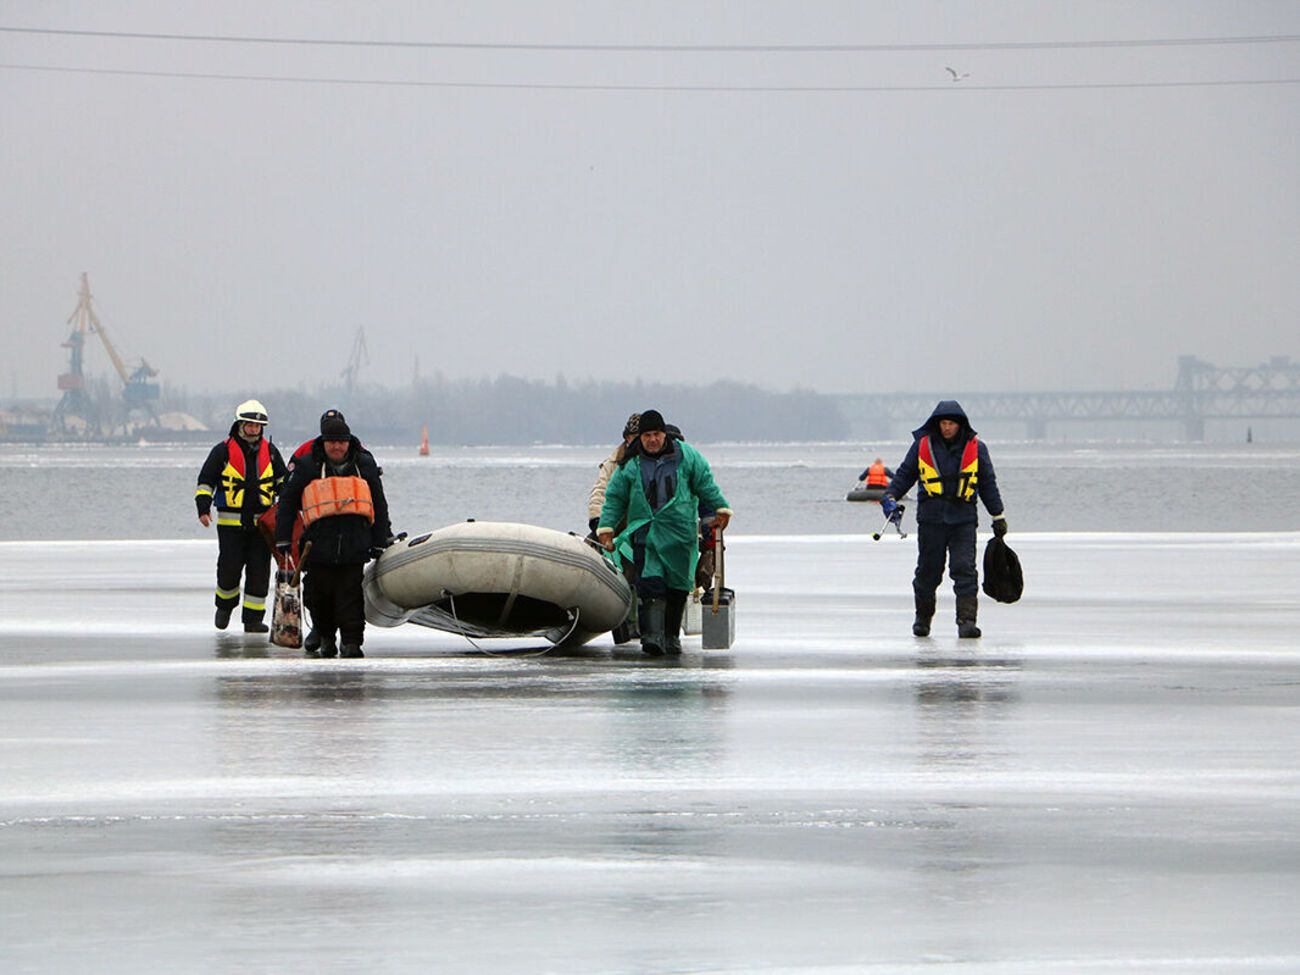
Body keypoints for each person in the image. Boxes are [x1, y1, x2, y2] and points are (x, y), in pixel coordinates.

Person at [597, 409, 732, 656]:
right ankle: (652, 637)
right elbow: (615, 498)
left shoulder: (687, 457)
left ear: (664, 434)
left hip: (680, 534)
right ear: (640, 438)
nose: (652, 440)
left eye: (656, 434)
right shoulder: (630, 463)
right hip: (646, 533)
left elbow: (706, 485)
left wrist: (719, 510)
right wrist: (606, 527)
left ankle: (670, 637)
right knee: (650, 584)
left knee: (677, 588)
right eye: (647, 435)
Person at [880, 400, 1006, 639]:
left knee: (964, 570)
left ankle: (966, 622)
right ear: (937, 424)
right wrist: (890, 496)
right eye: (944, 423)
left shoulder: (977, 448)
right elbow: (905, 474)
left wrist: (998, 515)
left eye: (951, 424)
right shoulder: (921, 446)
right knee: (928, 572)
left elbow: (987, 483)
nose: (947, 428)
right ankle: (923, 619)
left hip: (963, 520)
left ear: (960, 425)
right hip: (931, 520)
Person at [276, 415, 392, 659]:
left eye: (342, 442)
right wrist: (283, 538)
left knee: (351, 598)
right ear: (324, 442)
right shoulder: (307, 465)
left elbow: (378, 504)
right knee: (320, 597)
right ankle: (326, 637)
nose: (337, 447)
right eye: (332, 442)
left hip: (354, 544)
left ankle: (352, 643)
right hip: (317, 546)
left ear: (349, 442)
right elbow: (287, 502)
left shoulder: (364, 464)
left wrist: (380, 539)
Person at [195, 399, 288, 633]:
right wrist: (203, 509)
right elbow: (205, 482)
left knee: (259, 572)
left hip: (261, 526)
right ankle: (224, 607)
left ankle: (253, 619)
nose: (254, 429)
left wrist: (288, 505)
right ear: (240, 425)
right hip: (230, 525)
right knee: (229, 569)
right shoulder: (222, 451)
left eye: (257, 426)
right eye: (250, 425)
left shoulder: (271, 452)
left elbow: (283, 482)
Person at [587, 412, 641, 535]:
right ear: (627, 438)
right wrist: (597, 519)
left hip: (643, 526)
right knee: (591, 541)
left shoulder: (654, 462)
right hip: (616, 524)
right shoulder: (613, 463)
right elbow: (600, 491)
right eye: (634, 437)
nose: (637, 441)